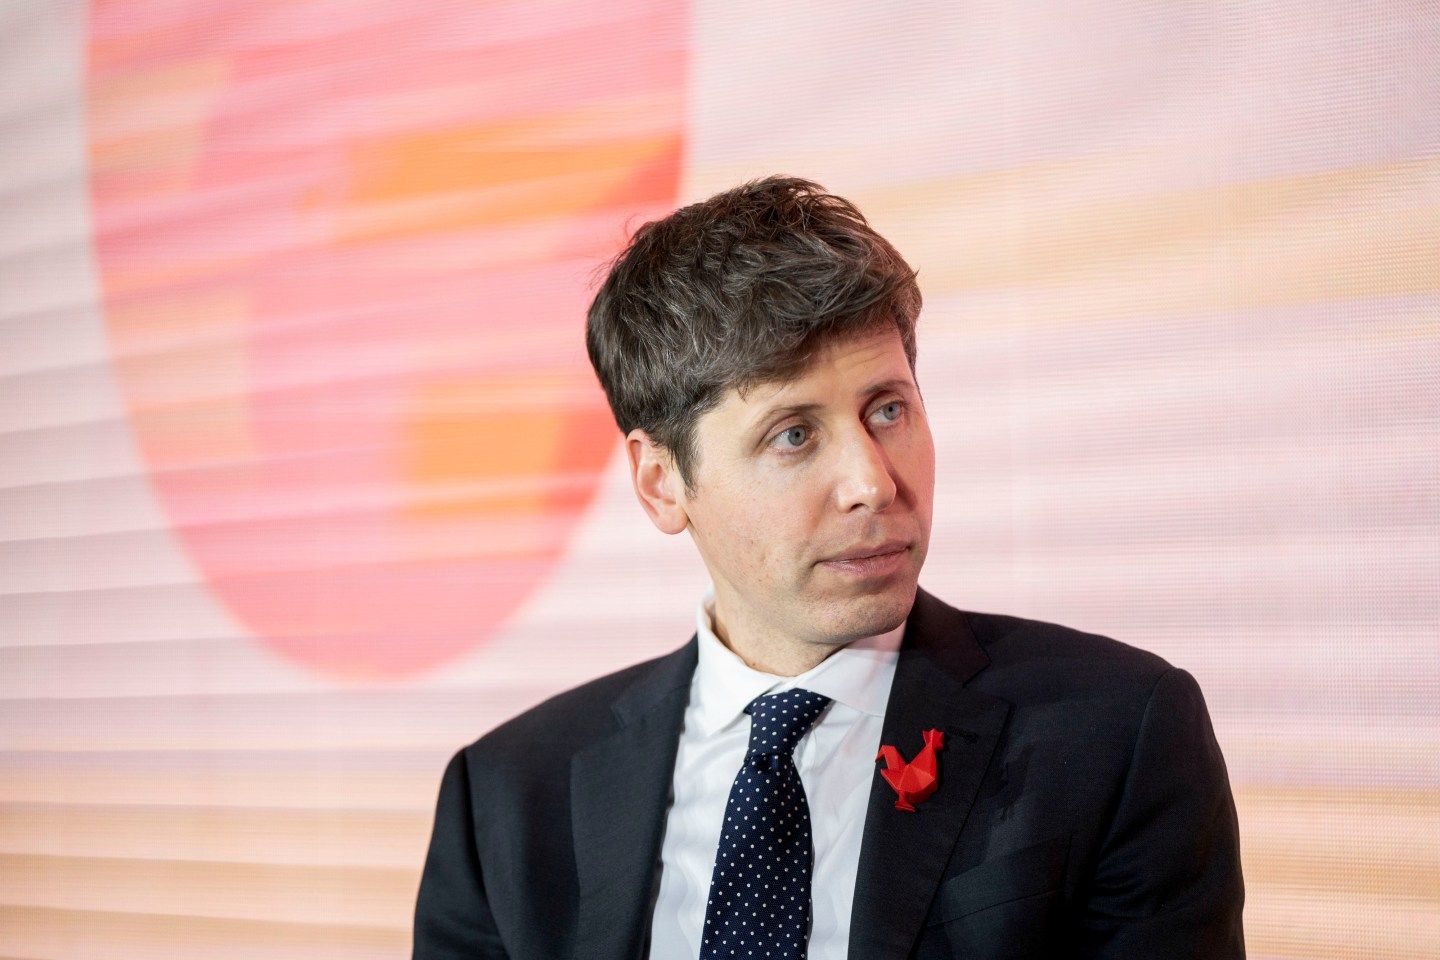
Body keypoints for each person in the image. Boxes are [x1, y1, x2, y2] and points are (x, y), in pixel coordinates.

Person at [411, 176, 1245, 960]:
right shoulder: (509, 799)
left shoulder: (1114, 733)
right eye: (794, 435)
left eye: (887, 410)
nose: (873, 482)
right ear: (662, 484)